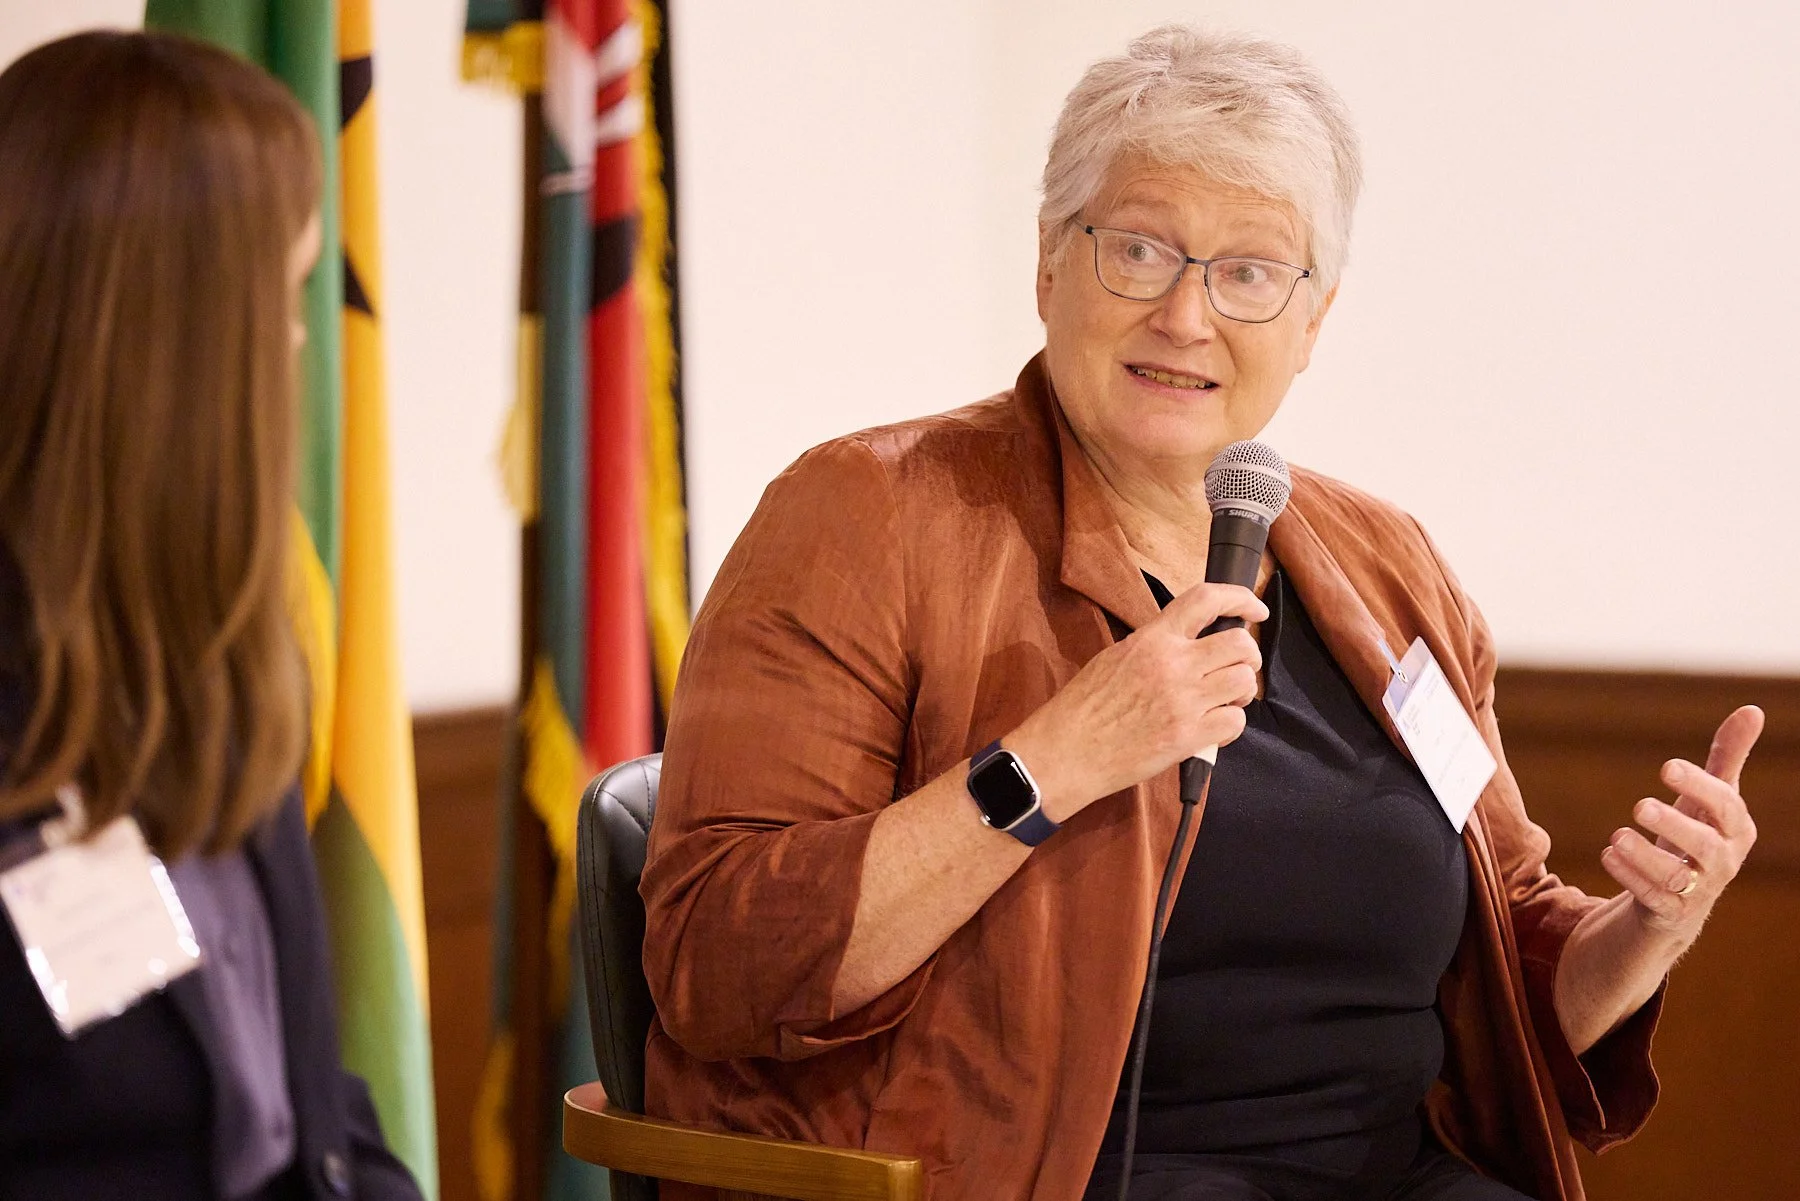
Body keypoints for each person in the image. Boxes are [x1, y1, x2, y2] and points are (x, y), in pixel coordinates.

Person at [637, 24, 1763, 1201]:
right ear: (1048, 267)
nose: (1187, 316)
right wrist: (1054, 761)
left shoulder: (1390, 567)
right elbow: (721, 961)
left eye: (1248, 273)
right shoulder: (869, 515)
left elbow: (1510, 977)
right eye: (1139, 250)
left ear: (1312, 322)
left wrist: (1646, 927)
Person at [0, 31, 423, 1201]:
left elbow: (317, 1111)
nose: (299, 348)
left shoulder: (222, 661)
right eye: (283, 303)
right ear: (169, 343)